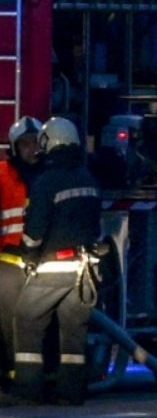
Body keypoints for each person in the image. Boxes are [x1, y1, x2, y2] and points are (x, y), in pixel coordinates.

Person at [10, 117, 100, 405]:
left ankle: (29, 389)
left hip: (52, 269)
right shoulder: (88, 178)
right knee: (73, 337)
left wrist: (28, 258)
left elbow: (34, 232)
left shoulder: (47, 181)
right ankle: (71, 393)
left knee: (25, 320)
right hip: (84, 272)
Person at [0, 117, 44, 391]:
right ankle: (11, 371)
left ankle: (37, 374)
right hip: (7, 261)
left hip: (42, 261)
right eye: (25, 144)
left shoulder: (49, 176)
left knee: (39, 321)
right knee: (8, 321)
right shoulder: (2, 175)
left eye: (35, 143)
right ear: (15, 147)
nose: (31, 149)